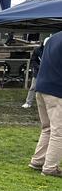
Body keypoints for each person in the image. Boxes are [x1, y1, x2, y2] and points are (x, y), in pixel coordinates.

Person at [28, 31, 62, 177]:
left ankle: (38, 161)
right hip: (56, 89)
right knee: (58, 131)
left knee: (47, 128)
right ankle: (50, 168)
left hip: (41, 87)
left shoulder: (54, 38)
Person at [23, 38, 47, 108]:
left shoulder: (53, 50)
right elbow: (33, 60)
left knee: (48, 88)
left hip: (49, 72)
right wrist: (38, 67)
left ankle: (47, 103)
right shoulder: (37, 50)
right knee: (33, 87)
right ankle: (28, 102)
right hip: (38, 72)